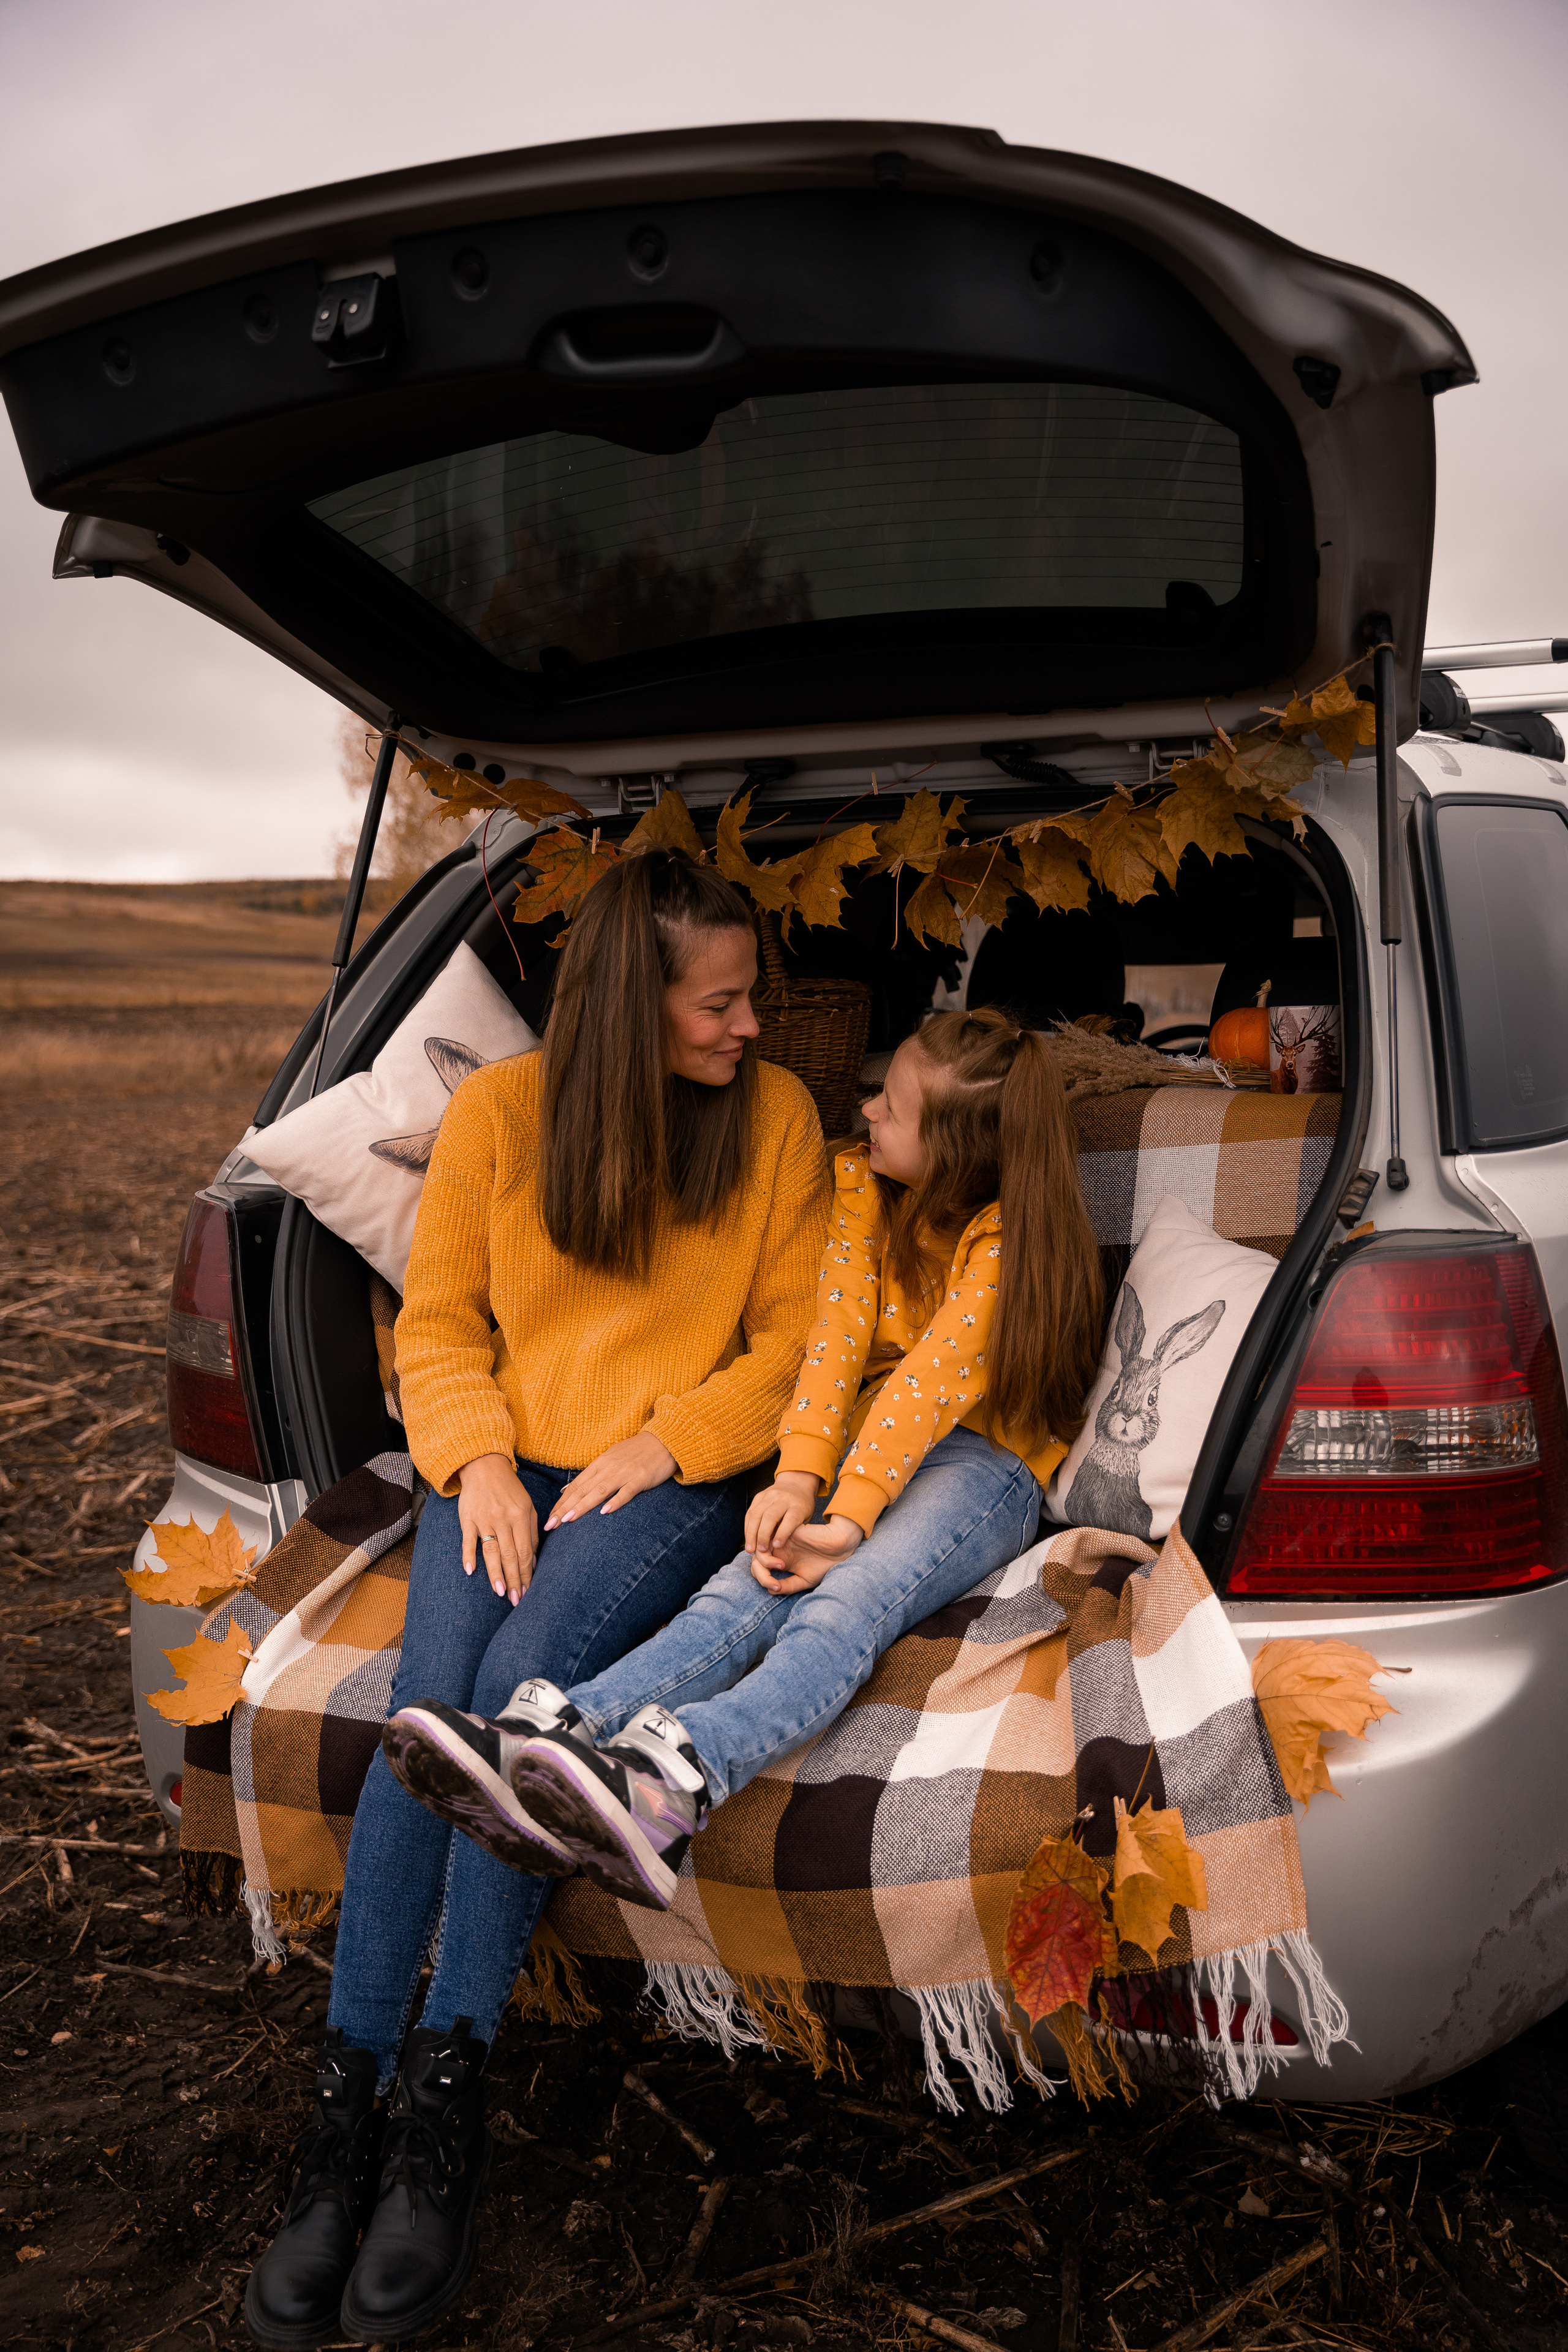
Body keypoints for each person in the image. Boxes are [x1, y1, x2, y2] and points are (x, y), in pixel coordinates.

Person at [244, 850, 829, 2352]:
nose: (748, 1025)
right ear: (631, 1007)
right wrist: (480, 1464)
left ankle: (444, 2101)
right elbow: (437, 1326)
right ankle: (342, 2118)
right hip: (501, 1470)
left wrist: (666, 1444)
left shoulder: (774, 1121)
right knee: (423, 1716)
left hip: (670, 1476)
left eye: (748, 996)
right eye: (717, 1003)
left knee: (512, 1712)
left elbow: (791, 1349)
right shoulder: (501, 1116)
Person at [386, 1004, 1104, 1938]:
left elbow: (923, 1392)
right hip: (859, 1442)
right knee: (741, 1591)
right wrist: (798, 1482)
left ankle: (682, 1777)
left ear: (955, 1156)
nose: (866, 1109)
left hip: (979, 1461)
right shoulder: (861, 1184)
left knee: (841, 1604)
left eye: (891, 1106)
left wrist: (845, 1523)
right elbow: (832, 1346)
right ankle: (557, 1735)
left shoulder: (1002, 1244)